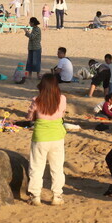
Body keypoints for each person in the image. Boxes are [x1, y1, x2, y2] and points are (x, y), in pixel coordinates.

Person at [26, 73, 67, 205]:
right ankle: (57, 196)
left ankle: (35, 196)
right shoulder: (62, 99)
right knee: (57, 168)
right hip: (57, 137)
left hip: (40, 137)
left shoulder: (36, 100)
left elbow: (30, 117)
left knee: (36, 167)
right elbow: (62, 114)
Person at [24, 17, 42, 84]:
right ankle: (30, 75)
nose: (29, 23)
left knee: (36, 62)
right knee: (30, 61)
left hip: (36, 48)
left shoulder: (37, 29)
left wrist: (26, 31)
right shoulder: (34, 28)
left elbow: (32, 37)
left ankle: (38, 75)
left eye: (30, 22)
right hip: (31, 47)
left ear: (33, 23)